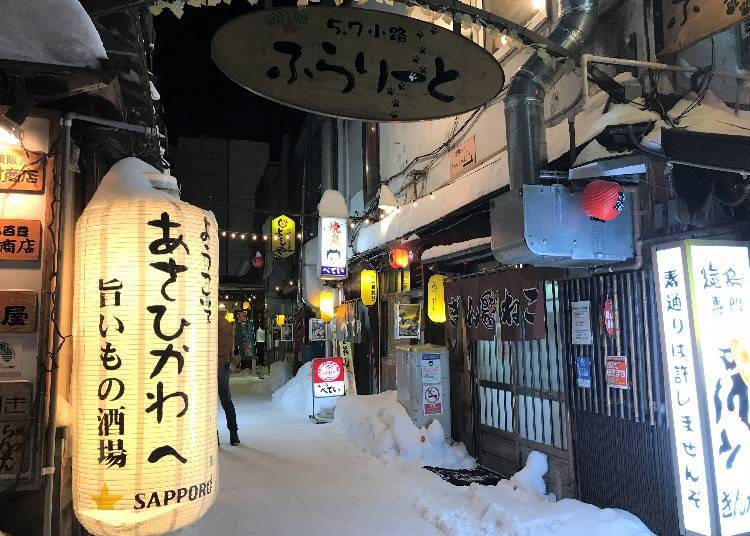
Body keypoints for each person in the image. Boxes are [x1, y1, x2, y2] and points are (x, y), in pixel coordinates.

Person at [218, 314, 240, 446]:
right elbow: (231, 350)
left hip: (209, 368)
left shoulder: (208, 323)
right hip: (224, 368)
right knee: (227, 401)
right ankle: (234, 434)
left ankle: (213, 437)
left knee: (208, 404)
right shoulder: (228, 326)